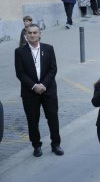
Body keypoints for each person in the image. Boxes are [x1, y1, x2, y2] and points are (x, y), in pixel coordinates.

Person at [14, 24, 64, 157]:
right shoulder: (19, 51)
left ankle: (56, 144)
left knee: (53, 117)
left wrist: (43, 85)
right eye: (29, 33)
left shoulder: (48, 48)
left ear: (40, 34)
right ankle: (36, 145)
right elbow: (20, 73)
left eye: (35, 32)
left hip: (48, 90)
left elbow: (53, 69)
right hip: (30, 92)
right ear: (26, 35)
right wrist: (34, 86)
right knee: (32, 120)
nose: (32, 35)